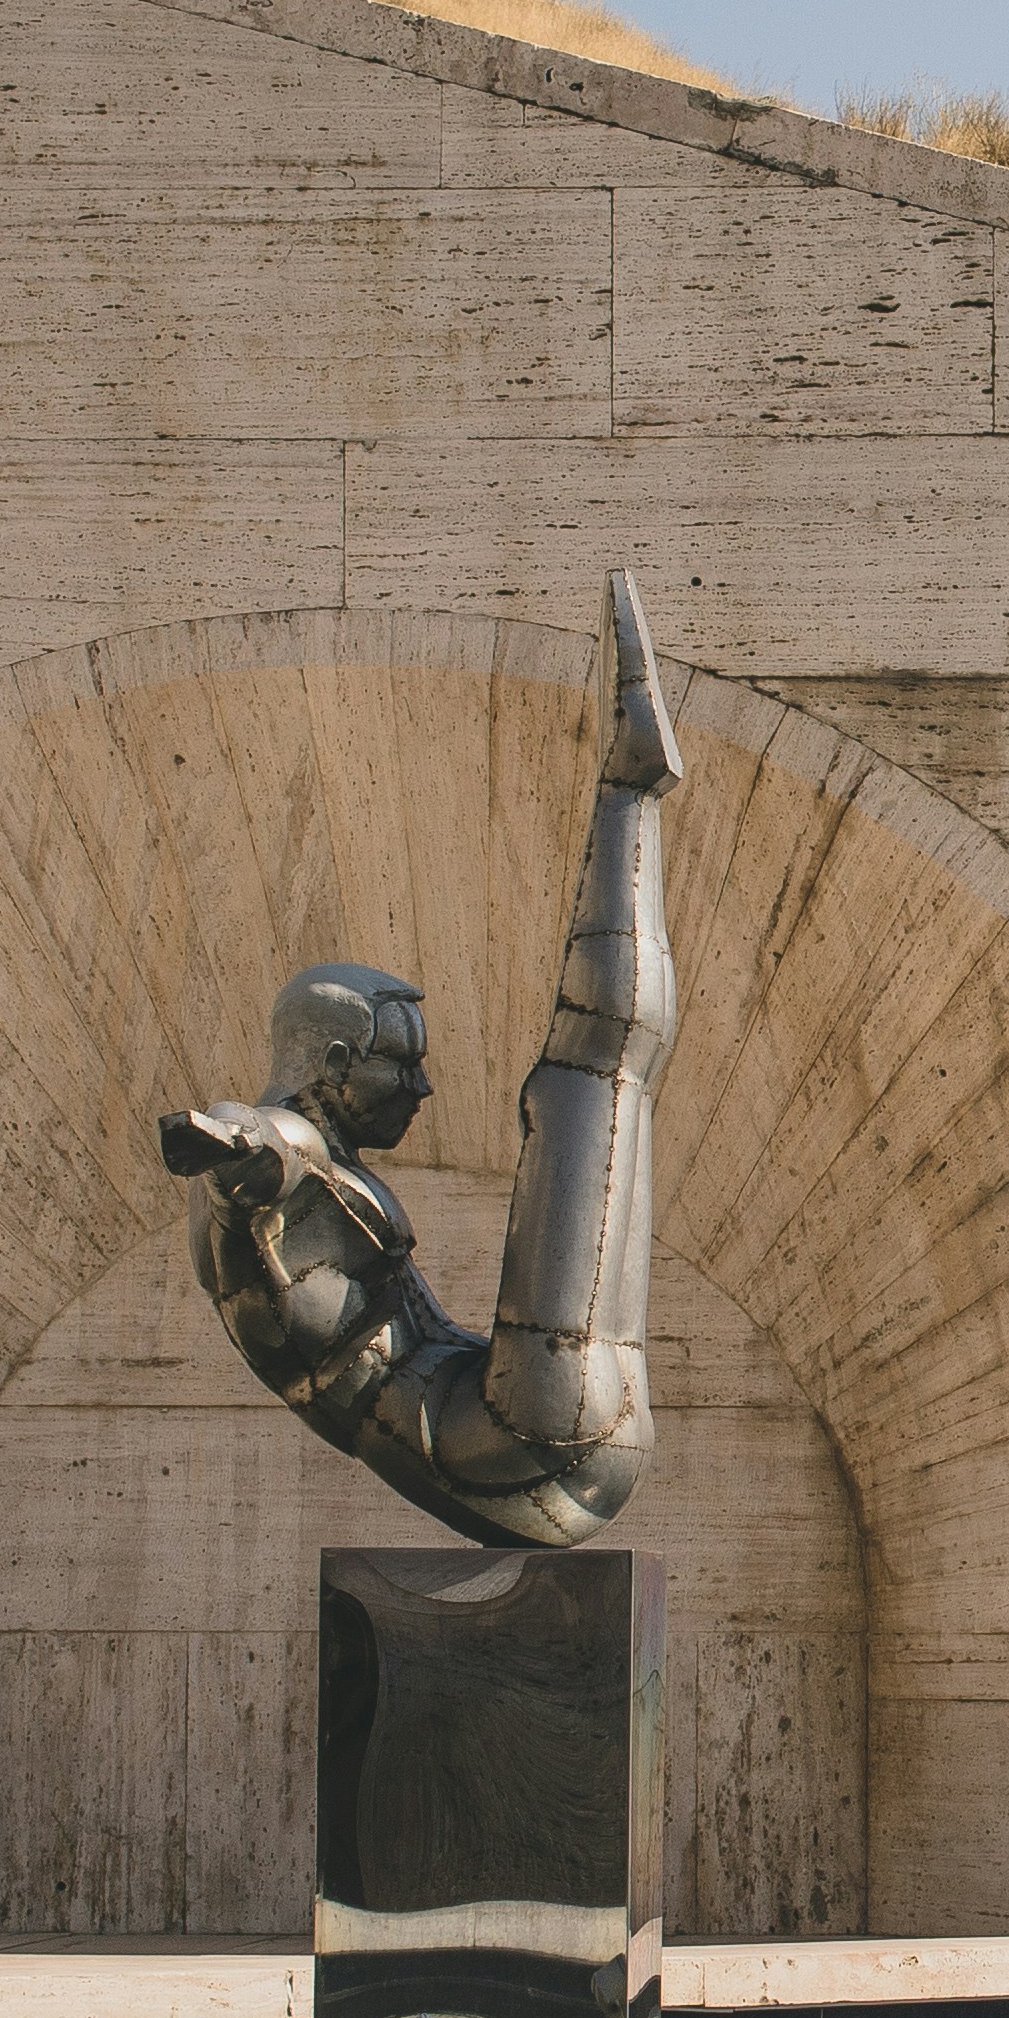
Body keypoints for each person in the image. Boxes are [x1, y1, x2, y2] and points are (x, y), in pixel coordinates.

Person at [158, 576, 681, 1546]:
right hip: (509, 1443)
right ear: (340, 1059)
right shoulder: (283, 1158)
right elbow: (256, 1150)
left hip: (525, 1438)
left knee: (608, 1076)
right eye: (403, 1067)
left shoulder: (308, 1167)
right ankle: (626, 795)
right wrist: (221, 1137)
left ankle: (631, 796)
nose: (425, 1089)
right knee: (588, 1073)